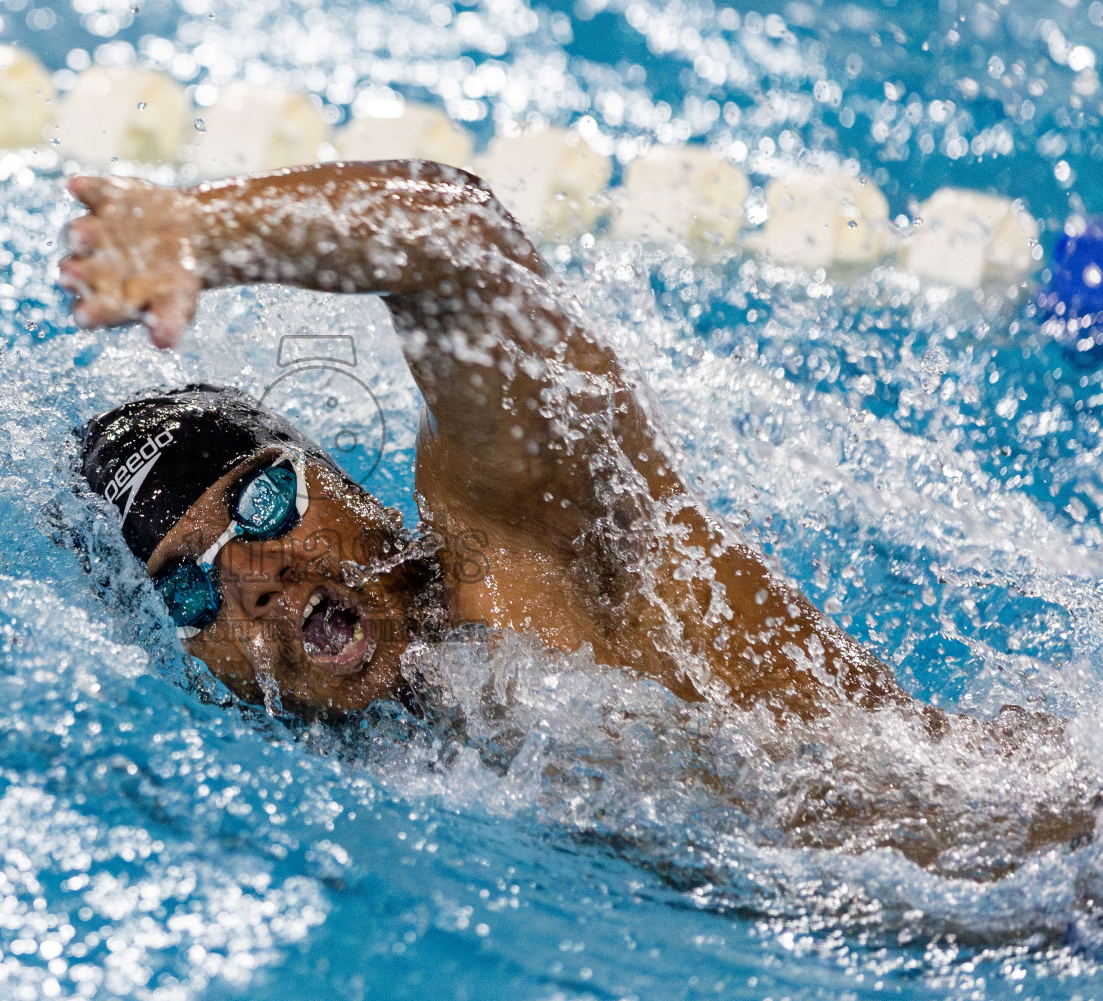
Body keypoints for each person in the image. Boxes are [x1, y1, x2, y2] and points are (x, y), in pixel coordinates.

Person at [65, 159, 916, 724]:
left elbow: (463, 246)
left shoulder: (514, 545)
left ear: (342, 485)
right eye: (187, 587)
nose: (251, 578)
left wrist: (204, 231)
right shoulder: (405, 734)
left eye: (264, 502)